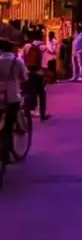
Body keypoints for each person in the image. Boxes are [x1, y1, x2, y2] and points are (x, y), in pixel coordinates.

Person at [0, 29, 28, 157]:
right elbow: (25, 78)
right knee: (10, 124)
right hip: (12, 97)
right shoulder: (17, 62)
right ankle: (8, 148)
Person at [23, 30, 49, 119]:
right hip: (39, 73)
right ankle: (42, 113)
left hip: (28, 72)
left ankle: (29, 110)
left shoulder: (27, 46)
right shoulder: (43, 47)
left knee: (30, 92)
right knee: (42, 93)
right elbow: (45, 63)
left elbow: (22, 58)